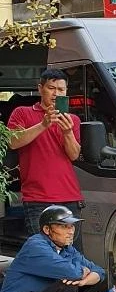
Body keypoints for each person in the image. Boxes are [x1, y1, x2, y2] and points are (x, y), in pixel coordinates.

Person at [6, 68, 84, 245]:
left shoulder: (72, 119)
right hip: (37, 199)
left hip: (70, 197)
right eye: (51, 88)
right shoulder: (22, 113)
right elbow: (13, 141)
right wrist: (43, 124)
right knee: (45, 256)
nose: (56, 93)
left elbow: (74, 155)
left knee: (73, 254)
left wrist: (68, 132)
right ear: (40, 88)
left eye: (61, 90)